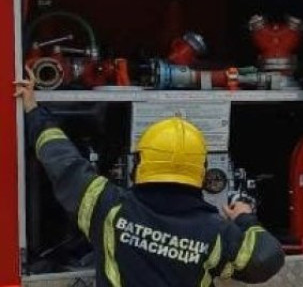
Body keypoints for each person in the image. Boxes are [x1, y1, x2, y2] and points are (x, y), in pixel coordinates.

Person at [15, 69, 284, 286]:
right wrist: (244, 218)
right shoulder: (216, 233)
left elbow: (62, 161)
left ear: (140, 163)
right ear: (201, 171)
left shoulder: (106, 206)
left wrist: (34, 111)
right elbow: (266, 259)